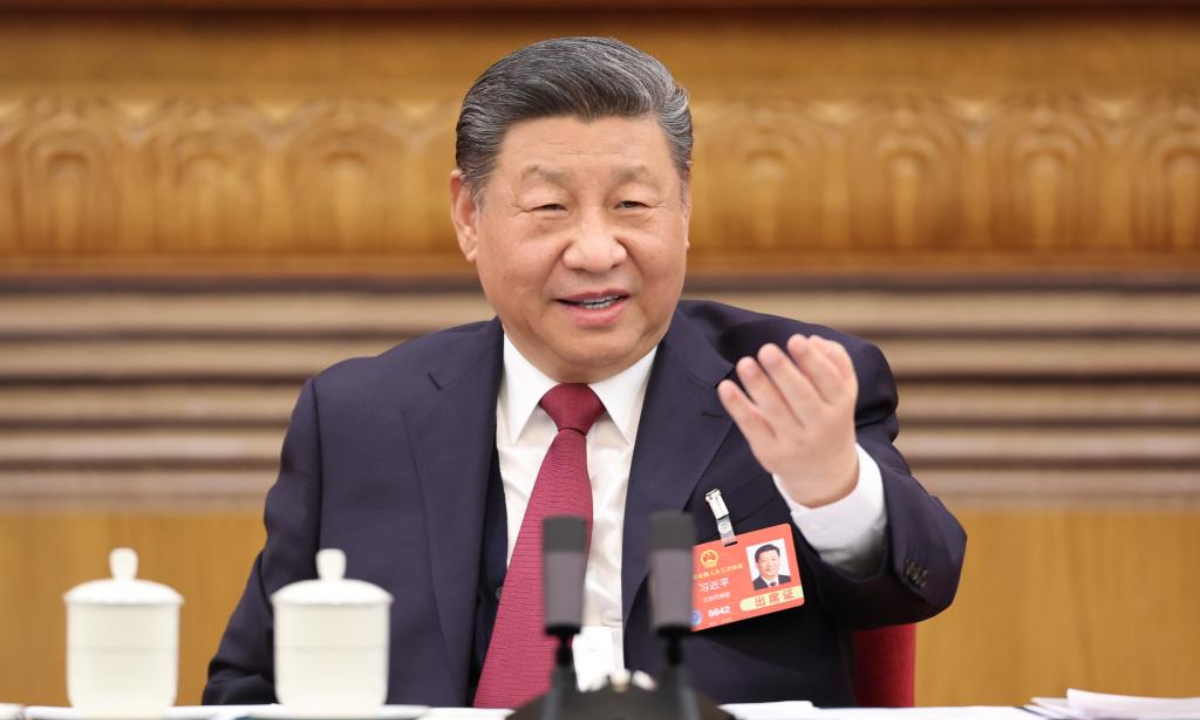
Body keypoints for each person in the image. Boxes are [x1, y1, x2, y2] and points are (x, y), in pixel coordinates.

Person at [203, 36, 966, 709]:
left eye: (633, 203)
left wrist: (833, 488)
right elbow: (246, 687)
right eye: (550, 208)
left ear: (686, 209)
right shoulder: (357, 417)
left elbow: (918, 581)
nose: (597, 250)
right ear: (468, 216)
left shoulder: (783, 386)